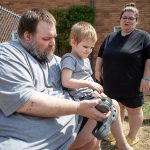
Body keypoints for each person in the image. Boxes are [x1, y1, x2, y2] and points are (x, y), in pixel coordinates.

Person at [0, 8, 133, 150]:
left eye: (54, 37)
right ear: (27, 36)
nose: (52, 43)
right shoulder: (8, 55)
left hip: (71, 126)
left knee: (108, 109)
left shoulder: (55, 60)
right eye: (46, 38)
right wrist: (78, 108)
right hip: (38, 141)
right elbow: (26, 102)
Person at [61, 21, 133, 150]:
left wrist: (99, 92)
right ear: (73, 42)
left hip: (89, 95)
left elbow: (88, 78)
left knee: (112, 103)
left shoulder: (85, 60)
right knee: (110, 107)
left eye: (91, 47)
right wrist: (89, 84)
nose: (89, 50)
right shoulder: (69, 58)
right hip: (79, 98)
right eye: (85, 47)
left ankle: (116, 140)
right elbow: (66, 81)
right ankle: (117, 141)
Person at [95, 3, 150, 146]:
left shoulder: (143, 37)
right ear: (120, 20)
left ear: (136, 21)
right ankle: (116, 133)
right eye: (125, 17)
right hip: (111, 82)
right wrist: (97, 71)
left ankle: (132, 136)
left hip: (132, 82)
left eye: (131, 18)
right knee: (116, 107)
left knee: (134, 110)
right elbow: (100, 55)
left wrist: (146, 77)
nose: (127, 20)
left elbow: (149, 59)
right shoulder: (110, 37)